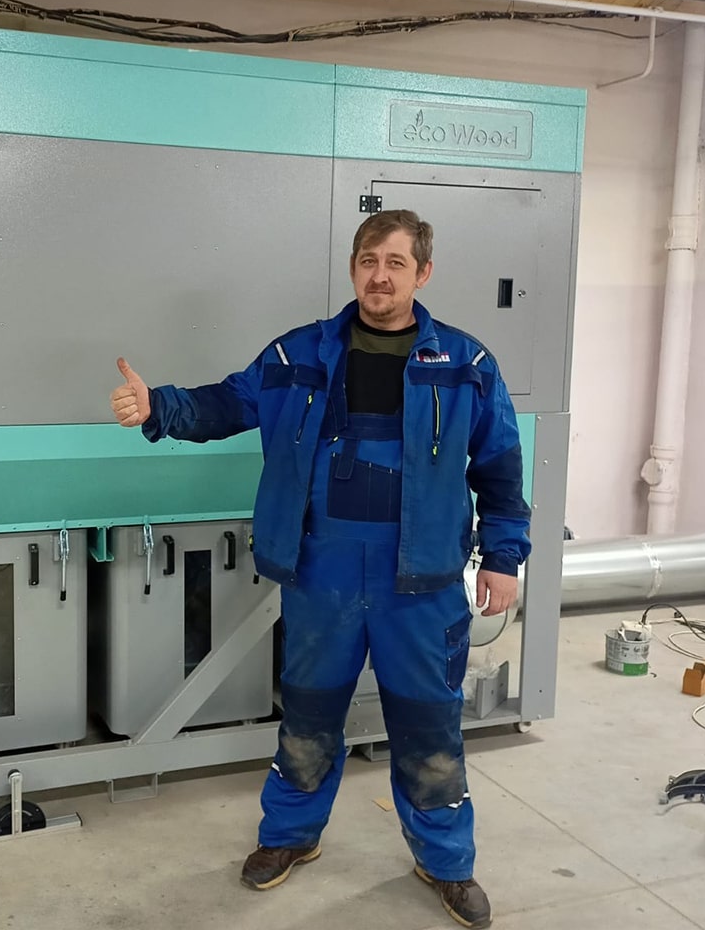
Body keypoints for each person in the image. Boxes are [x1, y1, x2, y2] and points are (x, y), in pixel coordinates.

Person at [109, 209, 530, 929]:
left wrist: (504, 555)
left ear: (423, 274)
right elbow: (227, 402)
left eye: (395, 263)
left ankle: (446, 862)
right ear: (353, 268)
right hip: (321, 571)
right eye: (368, 260)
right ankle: (290, 836)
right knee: (307, 718)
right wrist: (160, 408)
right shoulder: (297, 353)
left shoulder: (467, 365)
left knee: (430, 728)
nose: (379, 276)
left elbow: (499, 468)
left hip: (421, 582)